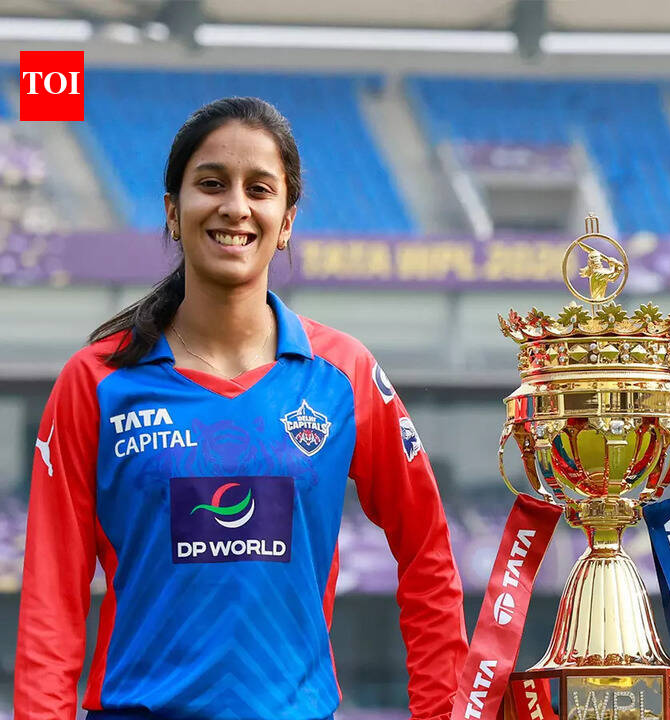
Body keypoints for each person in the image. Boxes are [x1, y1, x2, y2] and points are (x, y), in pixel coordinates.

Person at [15, 97, 468, 720]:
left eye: (259, 189)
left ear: (286, 222)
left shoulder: (344, 376)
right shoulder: (96, 381)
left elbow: (428, 552)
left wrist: (442, 711)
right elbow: (51, 592)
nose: (235, 206)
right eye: (211, 184)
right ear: (172, 212)